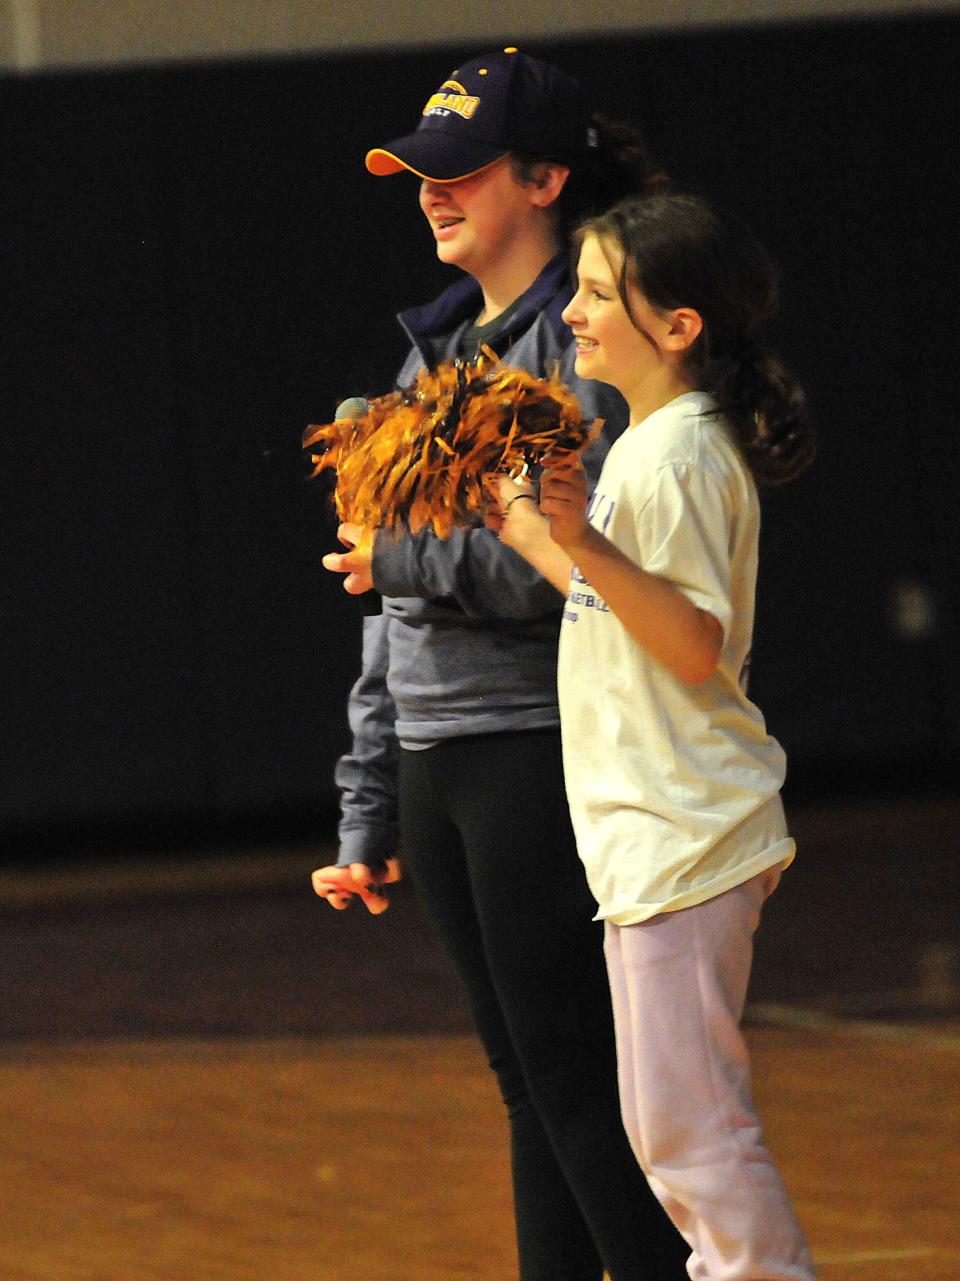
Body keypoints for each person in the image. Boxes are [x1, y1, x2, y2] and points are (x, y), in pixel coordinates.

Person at [312, 47, 689, 1281]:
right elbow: (387, 606)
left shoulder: (580, 352)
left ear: (544, 178)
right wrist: (367, 801)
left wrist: (401, 555)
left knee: (577, 1082)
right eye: (420, 173)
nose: (430, 192)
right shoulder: (433, 357)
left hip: (536, 747)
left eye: (459, 171)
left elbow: (568, 572)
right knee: (532, 1089)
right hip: (437, 757)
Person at [494, 190, 817, 1281]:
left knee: (692, 1134)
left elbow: (688, 645)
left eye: (595, 295)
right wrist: (534, 532)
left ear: (679, 326)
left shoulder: (675, 456)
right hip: (659, 836)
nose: (573, 315)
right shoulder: (654, 445)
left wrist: (582, 535)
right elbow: (622, 612)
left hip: (684, 832)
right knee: (671, 1129)